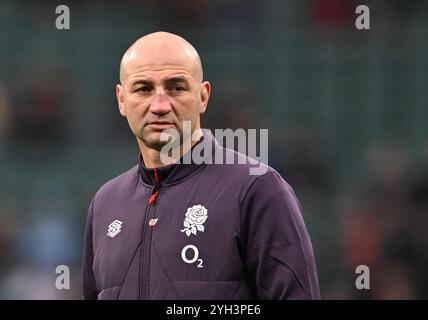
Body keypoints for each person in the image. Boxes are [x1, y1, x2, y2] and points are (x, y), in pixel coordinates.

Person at [82, 31, 320, 300]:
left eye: (176, 87)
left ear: (203, 96)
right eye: (143, 88)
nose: (159, 105)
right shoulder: (105, 203)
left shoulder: (257, 189)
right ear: (121, 100)